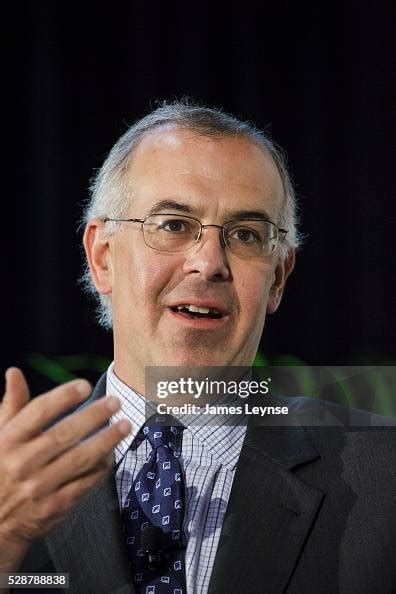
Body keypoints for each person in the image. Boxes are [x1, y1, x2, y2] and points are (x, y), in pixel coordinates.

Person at [0, 101, 395, 594]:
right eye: (173, 225)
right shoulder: (8, 476)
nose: (209, 263)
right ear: (103, 257)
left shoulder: (385, 477)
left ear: (278, 278)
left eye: (246, 235)